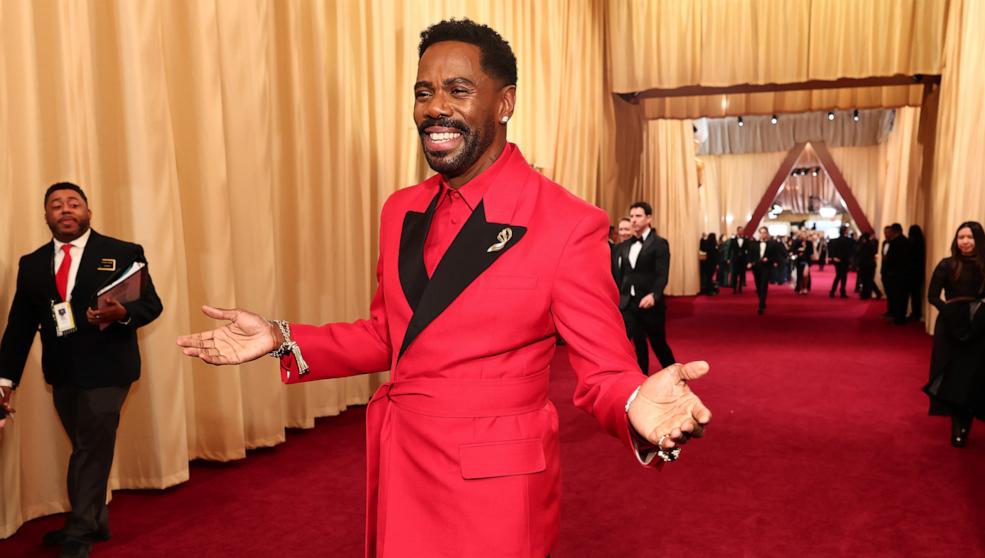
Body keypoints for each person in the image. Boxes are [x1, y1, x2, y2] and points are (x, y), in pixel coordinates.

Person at [176, 20, 710, 558]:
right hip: (401, 462)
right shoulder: (400, 209)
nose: (435, 108)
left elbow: (604, 367)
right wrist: (280, 337)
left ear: (505, 104)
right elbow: (392, 334)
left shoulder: (567, 223)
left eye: (458, 90)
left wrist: (636, 401)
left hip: (493, 494)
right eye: (423, 92)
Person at [0, 182, 163, 558]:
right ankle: (96, 518)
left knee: (90, 446)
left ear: (88, 212)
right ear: (46, 216)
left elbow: (152, 305)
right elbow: (19, 326)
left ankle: (80, 529)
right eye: (56, 205)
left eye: (74, 203)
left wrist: (124, 313)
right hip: (61, 372)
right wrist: (5, 380)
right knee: (88, 446)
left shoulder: (123, 253)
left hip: (109, 370)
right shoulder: (32, 263)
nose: (66, 210)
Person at [924, 221, 985, 447]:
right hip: (951, 327)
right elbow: (932, 296)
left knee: (973, 377)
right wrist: (950, 312)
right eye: (960, 237)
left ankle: (966, 423)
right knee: (953, 376)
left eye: (970, 237)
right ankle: (957, 427)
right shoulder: (947, 264)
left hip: (981, 326)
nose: (964, 241)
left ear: (978, 240)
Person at [615, 201, 677, 374]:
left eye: (638, 216)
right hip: (630, 305)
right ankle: (641, 381)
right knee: (635, 346)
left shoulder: (659, 244)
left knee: (659, 345)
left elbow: (662, 275)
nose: (634, 220)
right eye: (632, 216)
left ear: (649, 218)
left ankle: (677, 379)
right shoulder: (626, 245)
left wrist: (654, 295)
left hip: (650, 305)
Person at [748, 226, 782, 315]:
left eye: (764, 233)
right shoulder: (754, 244)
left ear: (767, 234)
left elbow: (775, 256)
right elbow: (750, 255)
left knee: (764, 286)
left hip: (766, 267)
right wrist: (750, 262)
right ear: (759, 234)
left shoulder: (772, 244)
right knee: (758, 287)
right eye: (761, 232)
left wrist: (769, 260)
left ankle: (761, 305)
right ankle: (762, 301)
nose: (763, 234)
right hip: (756, 267)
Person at [883, 223, 911, 324]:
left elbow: (893, 259)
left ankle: (899, 318)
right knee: (901, 297)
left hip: (896, 275)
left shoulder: (896, 242)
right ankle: (899, 317)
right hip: (903, 274)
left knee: (898, 297)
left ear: (895, 231)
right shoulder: (905, 241)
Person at [828, 226, 856, 298]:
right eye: (847, 230)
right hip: (845, 260)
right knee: (843, 276)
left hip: (837, 260)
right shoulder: (850, 240)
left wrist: (834, 257)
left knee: (838, 275)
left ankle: (833, 291)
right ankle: (842, 292)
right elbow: (853, 250)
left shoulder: (834, 241)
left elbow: (831, 249)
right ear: (845, 231)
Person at [908, 225, 926, 321]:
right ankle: (916, 313)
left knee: (914, 295)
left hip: (912, 273)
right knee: (916, 294)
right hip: (918, 272)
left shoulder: (912, 244)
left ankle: (916, 313)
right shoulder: (920, 243)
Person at [856, 232, 882, 299]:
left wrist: (858, 265)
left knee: (865, 280)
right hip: (871, 264)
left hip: (864, 265)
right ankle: (874, 293)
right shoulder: (872, 244)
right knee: (869, 280)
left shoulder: (863, 245)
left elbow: (861, 256)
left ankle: (865, 294)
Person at [791, 230, 813, 295]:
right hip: (799, 260)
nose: (804, 236)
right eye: (802, 235)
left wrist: (805, 248)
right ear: (800, 236)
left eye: (805, 235)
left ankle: (805, 287)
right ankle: (800, 288)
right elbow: (792, 250)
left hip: (807, 260)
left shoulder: (809, 243)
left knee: (805, 275)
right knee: (800, 275)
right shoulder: (797, 242)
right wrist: (798, 251)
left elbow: (811, 252)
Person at [729, 226, 749, 293]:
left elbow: (748, 249)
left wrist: (748, 259)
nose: (741, 232)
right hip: (735, 260)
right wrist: (729, 258)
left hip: (743, 259)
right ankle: (734, 288)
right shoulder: (733, 240)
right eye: (740, 230)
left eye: (742, 230)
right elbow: (730, 249)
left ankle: (740, 288)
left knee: (742, 274)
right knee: (734, 274)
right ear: (737, 231)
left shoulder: (746, 239)